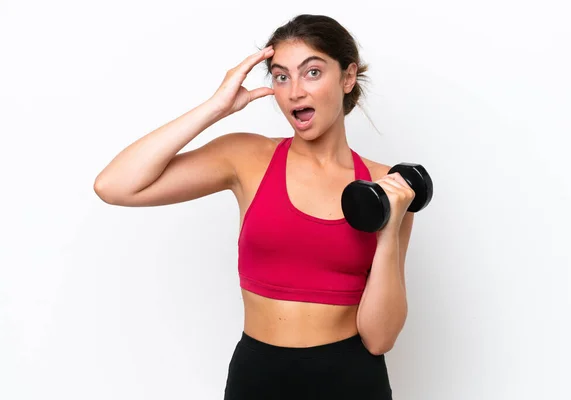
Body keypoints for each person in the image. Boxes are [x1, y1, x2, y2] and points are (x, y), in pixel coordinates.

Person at [94, 13, 415, 400]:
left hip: (351, 380)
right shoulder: (246, 157)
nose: (295, 91)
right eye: (281, 76)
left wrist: (388, 232)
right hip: (258, 377)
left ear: (348, 77)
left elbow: (380, 339)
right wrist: (216, 107)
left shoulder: (387, 188)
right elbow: (114, 186)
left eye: (312, 72)